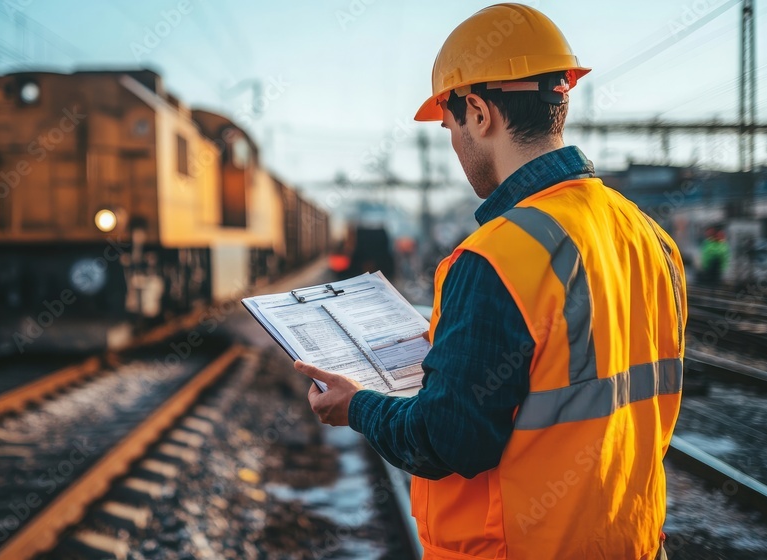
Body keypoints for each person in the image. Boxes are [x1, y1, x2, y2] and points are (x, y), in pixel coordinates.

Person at [294, 4, 686, 559]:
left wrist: (355, 405)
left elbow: (450, 439)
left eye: (450, 126)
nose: (454, 146)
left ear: (477, 111)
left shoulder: (496, 257)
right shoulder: (650, 236)